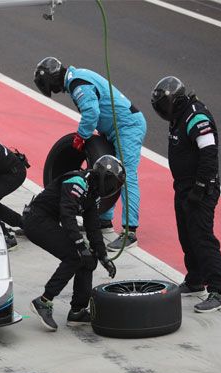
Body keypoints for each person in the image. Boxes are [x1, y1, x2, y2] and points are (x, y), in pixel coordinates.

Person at [33, 57, 147, 251]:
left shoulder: (78, 84)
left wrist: (81, 136)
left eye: (50, 85)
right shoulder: (77, 78)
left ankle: (130, 231)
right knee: (107, 171)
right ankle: (104, 220)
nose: (53, 89)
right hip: (112, 128)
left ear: (52, 78)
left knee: (125, 175)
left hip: (126, 127)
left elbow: (91, 113)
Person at [151, 76, 221, 312]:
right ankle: (195, 280)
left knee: (202, 237)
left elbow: (209, 155)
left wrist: (200, 188)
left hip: (200, 188)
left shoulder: (197, 117)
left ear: (176, 100)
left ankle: (218, 290)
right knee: (186, 235)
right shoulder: (178, 116)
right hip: (183, 187)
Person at [24, 155, 122, 331]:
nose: (111, 189)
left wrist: (103, 257)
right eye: (111, 183)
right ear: (102, 176)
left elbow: (93, 228)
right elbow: (67, 215)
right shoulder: (77, 181)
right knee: (76, 256)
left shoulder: (93, 193)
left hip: (49, 221)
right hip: (35, 220)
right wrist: (79, 244)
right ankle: (44, 301)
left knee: (89, 260)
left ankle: (77, 311)